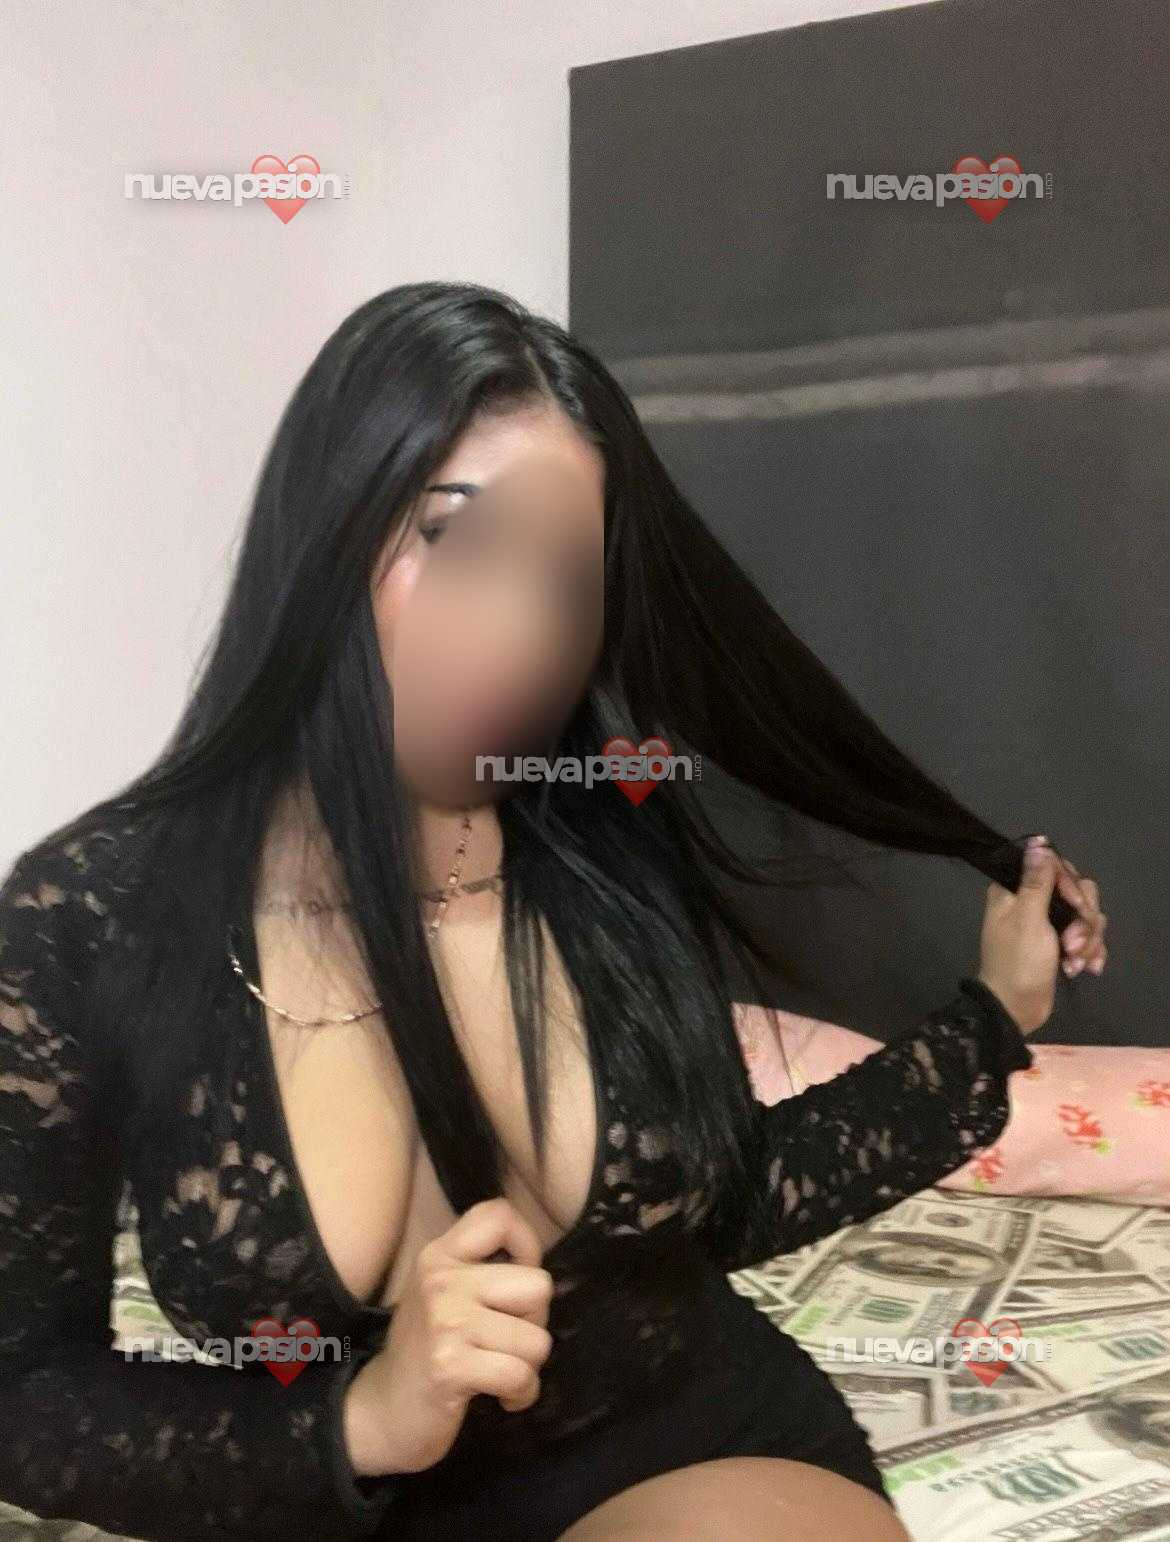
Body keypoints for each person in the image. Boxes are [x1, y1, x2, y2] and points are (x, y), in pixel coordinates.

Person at [0, 280, 1107, 1542]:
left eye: (568, 581)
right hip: (319, 1495)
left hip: (672, 1441)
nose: (523, 633)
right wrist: (362, 1419)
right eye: (464, 542)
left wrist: (993, 1017)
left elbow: (724, 1200)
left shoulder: (598, 844)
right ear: (328, 524)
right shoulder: (88, 917)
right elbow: (23, 1393)